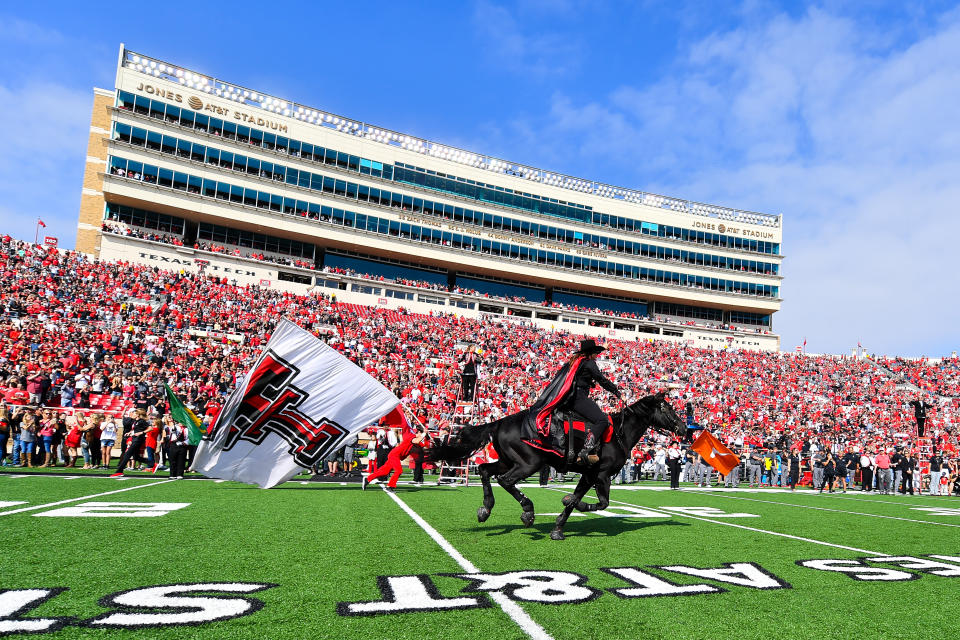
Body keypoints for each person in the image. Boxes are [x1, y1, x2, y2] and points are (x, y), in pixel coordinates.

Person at [526, 339, 621, 466]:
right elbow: (602, 380)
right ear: (590, 353)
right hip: (578, 398)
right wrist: (618, 393)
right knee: (602, 420)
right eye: (595, 353)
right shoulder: (589, 363)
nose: (597, 356)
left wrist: (603, 347)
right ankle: (586, 450)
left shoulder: (576, 361)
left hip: (569, 397)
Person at [111, 409, 149, 477]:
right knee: (136, 457)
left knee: (127, 454)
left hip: (138, 439)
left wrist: (141, 432)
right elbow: (135, 429)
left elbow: (150, 428)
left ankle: (119, 471)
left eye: (134, 413)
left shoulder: (142, 421)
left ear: (137, 415)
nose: (132, 414)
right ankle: (152, 463)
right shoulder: (135, 421)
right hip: (135, 439)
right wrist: (130, 433)